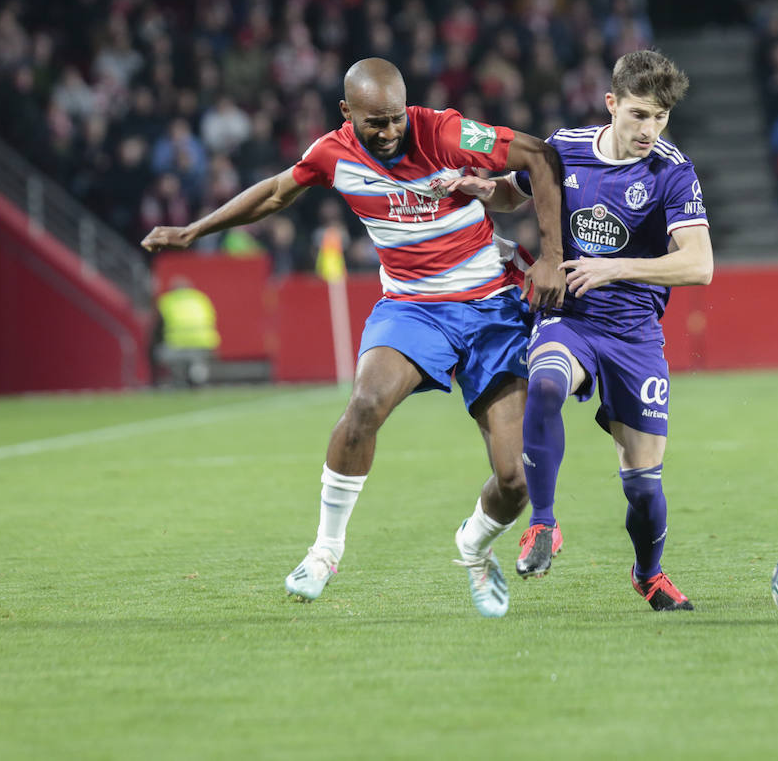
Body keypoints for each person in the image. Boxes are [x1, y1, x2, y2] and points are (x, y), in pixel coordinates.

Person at [141, 58, 565, 618]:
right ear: (348, 114)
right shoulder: (332, 154)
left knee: (515, 479)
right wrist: (195, 230)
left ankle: (472, 545)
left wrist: (553, 257)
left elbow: (539, 155)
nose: (389, 132)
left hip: (492, 306)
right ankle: (324, 551)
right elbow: (272, 194)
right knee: (364, 403)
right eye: (375, 123)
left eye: (395, 119)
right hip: (412, 309)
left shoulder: (444, 131)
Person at [446, 50, 712, 610]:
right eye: (639, 115)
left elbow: (699, 265)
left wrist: (615, 267)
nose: (650, 130)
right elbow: (514, 194)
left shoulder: (671, 170)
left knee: (643, 487)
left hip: (635, 332)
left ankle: (649, 574)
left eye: (661, 117)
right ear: (611, 103)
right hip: (569, 316)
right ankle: (543, 524)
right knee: (544, 385)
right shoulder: (564, 148)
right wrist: (478, 187)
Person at [153, 277, 221, 387]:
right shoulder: (200, 298)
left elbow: (157, 326)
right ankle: (198, 374)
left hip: (177, 343)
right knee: (198, 359)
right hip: (204, 343)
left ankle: (178, 379)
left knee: (160, 353)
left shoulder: (167, 301)